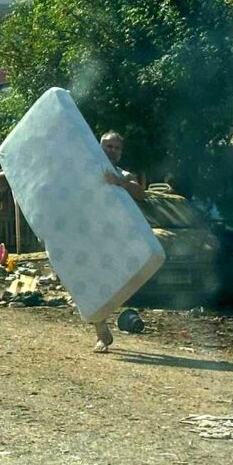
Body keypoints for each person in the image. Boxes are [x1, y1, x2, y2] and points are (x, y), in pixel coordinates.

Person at [94, 131, 145, 353]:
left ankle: (110, 318)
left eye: (116, 147)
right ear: (99, 146)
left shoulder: (125, 174)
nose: (111, 150)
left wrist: (119, 182)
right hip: (91, 233)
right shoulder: (86, 168)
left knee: (116, 282)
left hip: (117, 236)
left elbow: (140, 193)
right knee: (94, 281)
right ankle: (100, 329)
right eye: (107, 146)